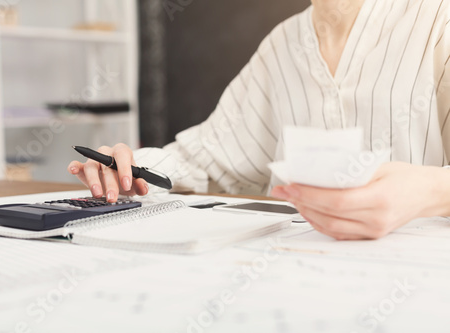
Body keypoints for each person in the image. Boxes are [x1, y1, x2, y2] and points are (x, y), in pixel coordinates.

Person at [68, 0, 450, 240]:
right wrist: (131, 168)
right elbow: (206, 161)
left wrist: (433, 191)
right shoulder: (282, 44)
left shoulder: (438, 19)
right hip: (295, 281)